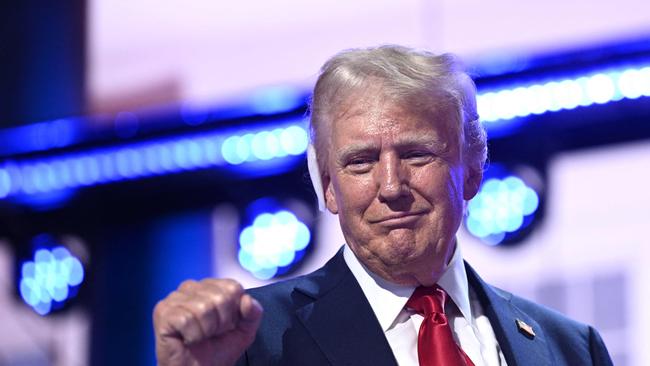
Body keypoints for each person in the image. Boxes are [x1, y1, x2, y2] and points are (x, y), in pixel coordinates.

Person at [153, 45, 613, 366]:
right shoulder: (251, 341)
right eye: (361, 162)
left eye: (416, 154)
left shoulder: (571, 349)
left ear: (473, 169)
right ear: (329, 188)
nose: (391, 185)